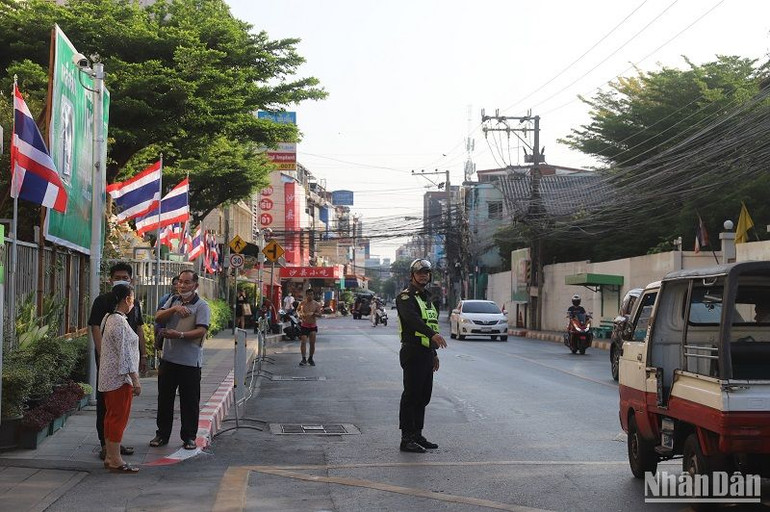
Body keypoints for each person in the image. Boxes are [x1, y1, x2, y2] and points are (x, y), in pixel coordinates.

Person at [88, 262, 146, 461]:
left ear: (131, 279)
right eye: (117, 277)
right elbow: (96, 327)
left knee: (117, 409)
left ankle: (114, 445)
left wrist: (144, 354)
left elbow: (139, 328)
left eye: (125, 277)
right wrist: (103, 354)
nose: (121, 280)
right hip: (114, 366)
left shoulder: (128, 308)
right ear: (110, 279)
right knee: (111, 408)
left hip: (120, 364)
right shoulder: (107, 306)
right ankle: (109, 449)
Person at [151, 270, 211, 450]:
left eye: (187, 282)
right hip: (168, 359)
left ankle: (189, 437)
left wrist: (180, 335)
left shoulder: (201, 306)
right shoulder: (172, 300)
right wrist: (174, 309)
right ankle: (162, 434)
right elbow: (158, 316)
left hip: (190, 362)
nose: (182, 286)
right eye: (180, 282)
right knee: (165, 399)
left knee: (189, 401)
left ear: (195, 285)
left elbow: (202, 330)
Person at [396, 258, 447, 453]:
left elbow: (431, 323)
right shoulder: (405, 297)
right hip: (412, 351)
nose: (423, 276)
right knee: (411, 395)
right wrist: (432, 335)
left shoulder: (428, 298)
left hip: (426, 352)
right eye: (419, 273)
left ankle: (417, 434)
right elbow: (412, 320)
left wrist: (433, 353)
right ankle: (406, 438)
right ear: (412, 276)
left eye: (426, 273)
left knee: (424, 396)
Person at [99, 284, 142, 473]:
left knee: (111, 417)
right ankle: (116, 459)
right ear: (127, 299)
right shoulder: (118, 321)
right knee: (118, 418)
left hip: (110, 377)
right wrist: (135, 379)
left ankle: (110, 456)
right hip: (119, 379)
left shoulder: (109, 318)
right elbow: (125, 354)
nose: (133, 302)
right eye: (133, 298)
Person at [298, 289, 323, 366]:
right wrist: (301, 315)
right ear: (306, 295)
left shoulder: (316, 304)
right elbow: (298, 311)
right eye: (308, 294)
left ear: (313, 295)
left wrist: (314, 314)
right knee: (303, 342)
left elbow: (320, 314)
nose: (310, 296)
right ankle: (303, 358)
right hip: (304, 325)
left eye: (311, 294)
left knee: (312, 343)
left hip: (312, 325)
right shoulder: (302, 303)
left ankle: (310, 358)